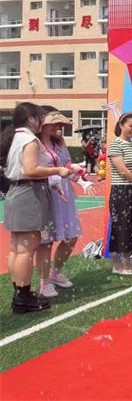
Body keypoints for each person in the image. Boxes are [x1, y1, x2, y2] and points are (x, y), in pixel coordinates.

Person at [1, 103, 71, 313]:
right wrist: (57, 170)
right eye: (40, 117)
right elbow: (31, 169)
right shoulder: (30, 139)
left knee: (17, 248)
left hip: (16, 192)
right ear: (31, 118)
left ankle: (21, 293)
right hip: (29, 194)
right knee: (25, 249)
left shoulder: (16, 137)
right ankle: (23, 297)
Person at [35, 109, 82, 298]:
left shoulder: (60, 142)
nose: (58, 128)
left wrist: (76, 173)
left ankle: (55, 272)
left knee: (71, 236)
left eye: (60, 124)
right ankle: (44, 282)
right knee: (45, 241)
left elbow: (67, 165)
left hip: (64, 193)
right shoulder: (34, 143)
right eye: (54, 124)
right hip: (46, 193)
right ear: (42, 124)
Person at [107, 112, 132, 276]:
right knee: (121, 226)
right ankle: (117, 264)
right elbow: (123, 170)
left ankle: (128, 261)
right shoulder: (115, 145)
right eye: (131, 126)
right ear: (121, 125)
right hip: (121, 191)